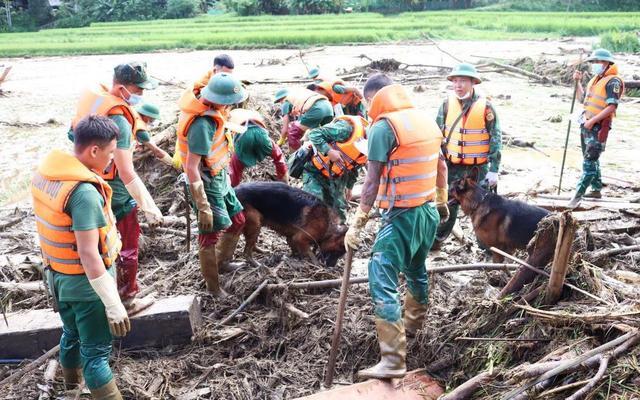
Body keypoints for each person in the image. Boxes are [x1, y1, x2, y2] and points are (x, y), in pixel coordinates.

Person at [344, 74, 449, 379]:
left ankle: (392, 360)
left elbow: (372, 181)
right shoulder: (424, 119)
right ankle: (413, 328)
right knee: (416, 269)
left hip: (401, 216)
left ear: (371, 99)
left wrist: (358, 223)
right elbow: (441, 165)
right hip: (427, 212)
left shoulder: (383, 126)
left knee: (381, 277)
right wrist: (441, 201)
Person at [33, 115, 130, 399]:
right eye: (111, 152)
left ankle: (71, 388)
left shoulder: (48, 173)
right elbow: (88, 253)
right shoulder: (84, 193)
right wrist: (112, 303)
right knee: (97, 355)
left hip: (58, 278)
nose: (113, 159)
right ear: (94, 151)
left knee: (71, 334)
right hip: (86, 286)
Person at [69, 62, 163, 313]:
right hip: (114, 189)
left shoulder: (97, 101)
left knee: (98, 243)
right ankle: (128, 298)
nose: (141, 95)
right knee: (127, 240)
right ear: (122, 89)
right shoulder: (119, 119)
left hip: (88, 176)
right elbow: (126, 170)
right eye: (138, 89)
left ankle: (104, 294)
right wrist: (148, 205)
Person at [176, 72, 247, 296]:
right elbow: (191, 167)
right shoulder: (202, 124)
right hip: (205, 183)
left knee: (238, 219)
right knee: (209, 234)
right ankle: (213, 287)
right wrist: (203, 206)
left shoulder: (213, 108)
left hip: (219, 176)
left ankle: (223, 262)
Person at [433, 62, 502, 249]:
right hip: (452, 166)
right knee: (447, 205)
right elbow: (436, 133)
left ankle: (487, 246)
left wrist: (494, 170)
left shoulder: (486, 107)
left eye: (462, 81)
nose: (458, 85)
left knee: (483, 209)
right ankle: (436, 241)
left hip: (477, 169)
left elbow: (495, 138)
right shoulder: (446, 105)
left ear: (473, 83)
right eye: (455, 81)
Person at [568, 48, 624, 208]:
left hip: (598, 127)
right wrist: (577, 82)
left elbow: (612, 106)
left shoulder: (613, 81)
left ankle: (577, 196)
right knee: (591, 159)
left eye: (597, 62)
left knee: (589, 161)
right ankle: (596, 189)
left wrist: (593, 122)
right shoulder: (595, 79)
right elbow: (582, 98)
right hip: (586, 124)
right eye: (593, 62)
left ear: (606, 63)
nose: (594, 65)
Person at [301, 115, 368, 222]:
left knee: (340, 213)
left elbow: (355, 166)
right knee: (313, 205)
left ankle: (337, 236)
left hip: (337, 177)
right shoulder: (345, 129)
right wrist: (329, 151)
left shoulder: (373, 149)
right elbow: (314, 134)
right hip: (314, 171)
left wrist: (349, 187)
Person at [226, 108, 289, 187]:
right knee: (278, 156)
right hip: (261, 134)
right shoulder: (254, 114)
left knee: (235, 167)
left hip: (243, 137)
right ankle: (284, 181)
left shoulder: (231, 116)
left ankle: (234, 188)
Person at [134, 102, 178, 168]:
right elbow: (157, 151)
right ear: (147, 116)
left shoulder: (134, 117)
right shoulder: (141, 130)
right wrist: (174, 163)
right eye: (153, 119)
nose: (153, 122)